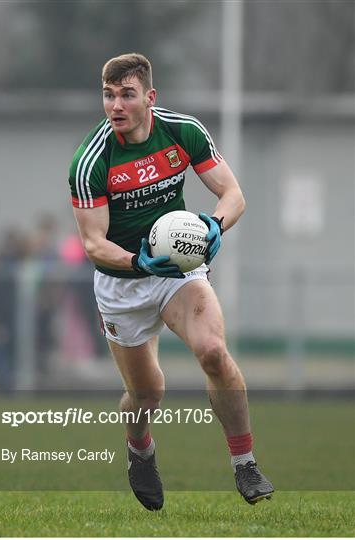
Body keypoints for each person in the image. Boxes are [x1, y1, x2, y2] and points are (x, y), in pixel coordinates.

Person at [68, 53, 274, 511]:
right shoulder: (92, 161)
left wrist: (216, 226)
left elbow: (233, 193)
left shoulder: (183, 132)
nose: (116, 105)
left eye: (126, 94)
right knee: (148, 394)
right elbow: (94, 244)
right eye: (108, 95)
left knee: (214, 353)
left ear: (149, 97)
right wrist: (139, 262)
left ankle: (245, 462)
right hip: (122, 283)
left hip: (178, 272)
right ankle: (140, 449)